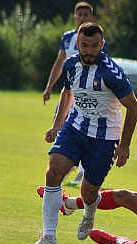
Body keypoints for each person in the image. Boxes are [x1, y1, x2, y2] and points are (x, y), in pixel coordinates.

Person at [26, 22, 137, 244]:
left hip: (104, 136)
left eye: (94, 46)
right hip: (75, 127)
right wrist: (57, 125)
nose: (89, 51)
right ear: (77, 44)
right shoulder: (70, 65)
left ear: (102, 45)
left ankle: (89, 211)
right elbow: (68, 93)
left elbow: (134, 107)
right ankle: (49, 237)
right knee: (53, 171)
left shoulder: (112, 73)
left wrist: (125, 146)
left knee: (88, 192)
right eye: (85, 45)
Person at [43, 2, 109, 186]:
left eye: (86, 15)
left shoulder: (97, 40)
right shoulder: (67, 38)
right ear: (74, 17)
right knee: (62, 129)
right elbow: (59, 62)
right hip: (69, 93)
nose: (82, 18)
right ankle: (66, 167)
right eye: (79, 15)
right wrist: (49, 87)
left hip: (89, 97)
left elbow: (105, 67)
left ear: (91, 17)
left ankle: (83, 174)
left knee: (86, 132)